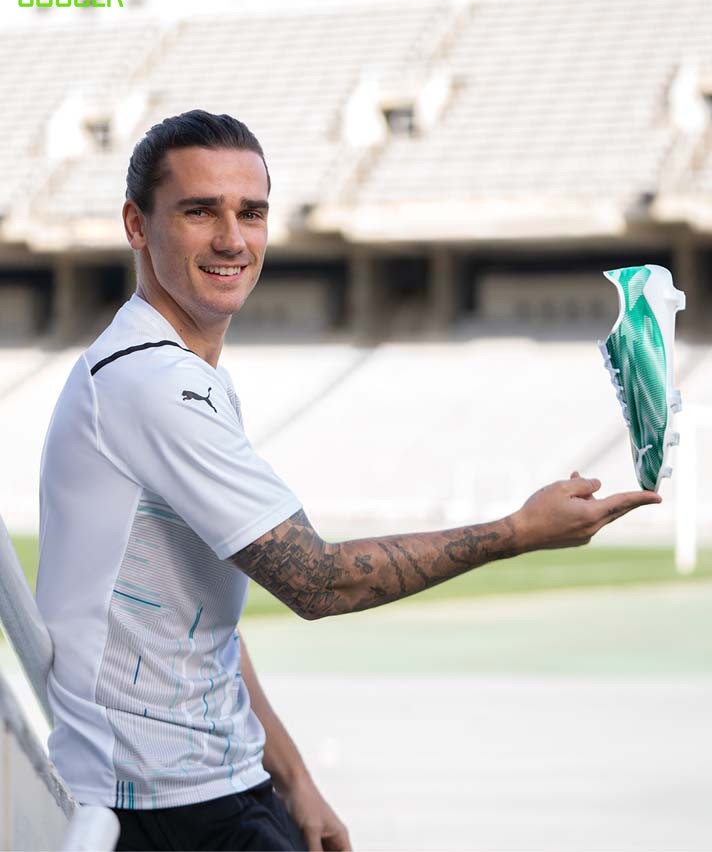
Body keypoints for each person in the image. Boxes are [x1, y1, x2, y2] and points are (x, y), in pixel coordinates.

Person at [36, 110, 661, 852]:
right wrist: (518, 532)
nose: (233, 239)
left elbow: (200, 625)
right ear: (136, 225)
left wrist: (294, 780)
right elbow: (319, 582)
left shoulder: (173, 369)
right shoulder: (153, 384)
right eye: (200, 211)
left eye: (251, 213)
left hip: (216, 784)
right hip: (161, 808)